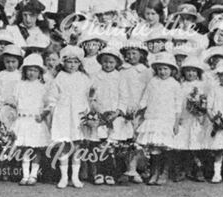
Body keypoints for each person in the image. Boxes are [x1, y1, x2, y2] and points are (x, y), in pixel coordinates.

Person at [46, 46, 92, 188]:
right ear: (63, 63)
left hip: (78, 114)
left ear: (80, 63)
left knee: (77, 146)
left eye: (75, 62)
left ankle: (75, 177)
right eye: (69, 62)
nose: (72, 65)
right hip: (63, 114)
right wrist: (53, 112)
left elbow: (89, 96)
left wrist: (88, 113)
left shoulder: (84, 78)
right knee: (64, 146)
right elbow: (52, 97)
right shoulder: (59, 78)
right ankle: (64, 177)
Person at [136, 51, 181, 186]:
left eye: (165, 69)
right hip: (153, 117)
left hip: (167, 119)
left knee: (165, 147)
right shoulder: (152, 82)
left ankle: (164, 172)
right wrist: (138, 110)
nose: (162, 72)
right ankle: (154, 172)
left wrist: (177, 122)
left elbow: (178, 105)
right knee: (154, 146)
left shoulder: (174, 84)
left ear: (172, 70)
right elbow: (145, 99)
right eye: (160, 69)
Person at [9, 53, 51, 185]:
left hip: (36, 120)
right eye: (29, 70)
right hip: (23, 119)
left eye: (35, 70)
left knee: (36, 148)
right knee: (25, 148)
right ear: (25, 71)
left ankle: (34, 175)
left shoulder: (43, 86)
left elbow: (49, 104)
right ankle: (25, 175)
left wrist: (43, 115)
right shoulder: (19, 85)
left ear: (39, 72)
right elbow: (14, 101)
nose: (32, 73)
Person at [115, 39, 149, 183]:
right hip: (125, 108)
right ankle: (128, 169)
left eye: (134, 53)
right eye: (128, 54)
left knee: (138, 139)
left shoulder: (146, 71)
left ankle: (139, 168)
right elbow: (119, 89)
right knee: (126, 139)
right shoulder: (122, 70)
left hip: (140, 109)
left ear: (141, 54)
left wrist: (140, 106)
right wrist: (122, 107)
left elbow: (148, 91)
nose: (132, 56)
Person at [87, 47, 122, 185]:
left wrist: (118, 112)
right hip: (99, 114)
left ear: (116, 63)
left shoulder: (119, 77)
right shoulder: (95, 76)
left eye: (111, 62)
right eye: (105, 62)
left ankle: (110, 173)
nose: (108, 65)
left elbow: (124, 96)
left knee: (111, 145)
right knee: (97, 144)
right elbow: (91, 96)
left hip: (114, 115)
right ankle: (98, 173)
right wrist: (97, 110)